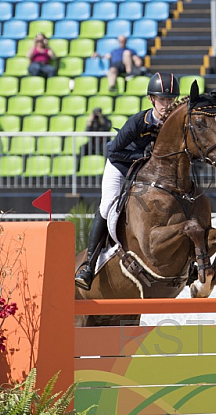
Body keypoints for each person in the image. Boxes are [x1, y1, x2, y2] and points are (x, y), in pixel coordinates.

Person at [75, 72, 180, 290]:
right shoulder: (137, 123)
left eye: (171, 100)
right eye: (163, 99)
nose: (167, 104)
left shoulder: (175, 125)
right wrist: (143, 157)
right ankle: (88, 265)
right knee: (107, 206)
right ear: (152, 99)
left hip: (148, 174)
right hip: (120, 167)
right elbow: (113, 151)